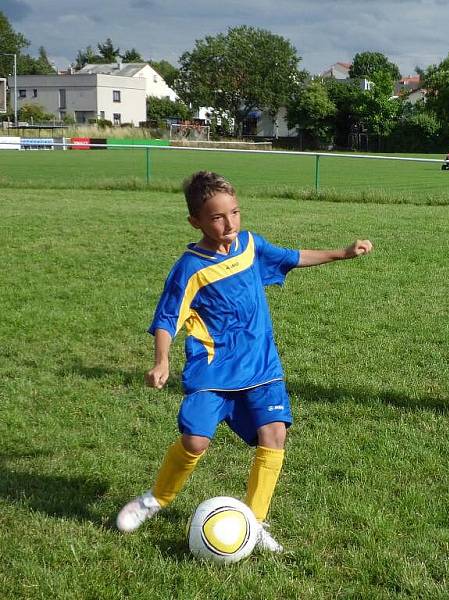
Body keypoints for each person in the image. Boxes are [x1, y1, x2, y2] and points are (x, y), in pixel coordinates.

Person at [116, 171, 373, 552]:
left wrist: (343, 253)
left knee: (275, 435)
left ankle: (254, 522)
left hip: (261, 367)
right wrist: (161, 360)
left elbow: (292, 257)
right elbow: (168, 318)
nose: (229, 223)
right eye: (218, 217)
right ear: (196, 221)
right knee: (195, 440)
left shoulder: (250, 245)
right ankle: (155, 499)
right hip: (213, 371)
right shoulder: (190, 267)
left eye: (234, 212)